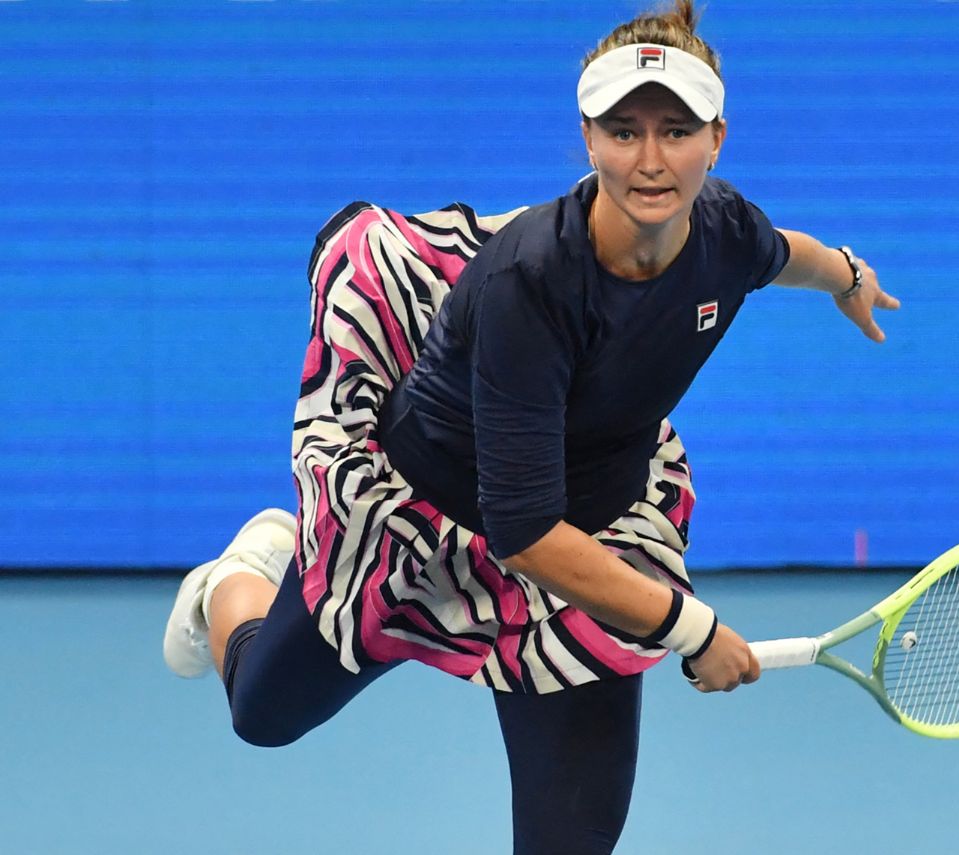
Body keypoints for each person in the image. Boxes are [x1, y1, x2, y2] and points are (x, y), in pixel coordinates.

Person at [163, 2, 899, 852]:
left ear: (717, 139)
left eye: (677, 131)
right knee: (261, 709)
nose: (651, 160)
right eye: (624, 132)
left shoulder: (726, 228)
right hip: (433, 521)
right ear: (588, 138)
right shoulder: (531, 288)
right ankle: (240, 574)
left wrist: (845, 273)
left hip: (594, 536)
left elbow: (785, 255)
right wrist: (690, 629)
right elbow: (524, 531)